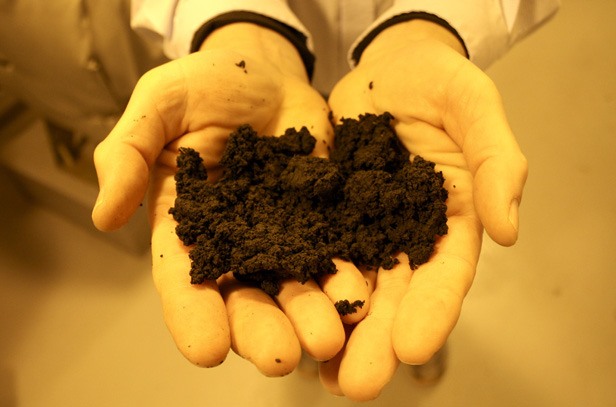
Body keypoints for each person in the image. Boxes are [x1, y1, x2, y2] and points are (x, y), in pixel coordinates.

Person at [1, 0, 560, 401]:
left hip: (413, 106)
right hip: (261, 68)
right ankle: (317, 348)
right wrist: (237, 28)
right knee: (303, 309)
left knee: (419, 279)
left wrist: (432, 26)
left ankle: (414, 343)